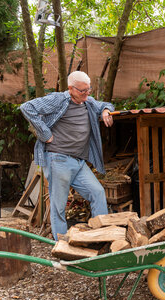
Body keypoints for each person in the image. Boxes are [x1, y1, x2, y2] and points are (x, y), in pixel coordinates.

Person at [20, 71, 115, 241]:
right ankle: (61, 246)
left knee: (98, 192)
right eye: (82, 91)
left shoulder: (88, 102)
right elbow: (27, 107)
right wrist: (44, 133)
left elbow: (105, 104)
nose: (87, 94)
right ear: (71, 88)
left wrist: (106, 110)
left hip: (79, 162)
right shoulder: (58, 99)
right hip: (58, 159)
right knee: (58, 207)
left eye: (89, 89)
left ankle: (102, 238)